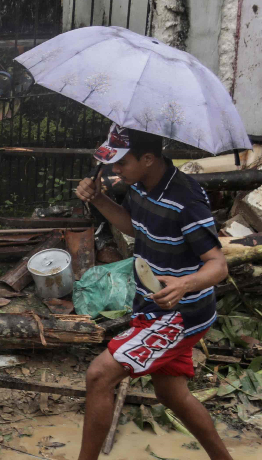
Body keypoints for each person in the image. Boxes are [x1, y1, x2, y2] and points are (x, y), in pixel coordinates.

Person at [74, 125, 232, 460]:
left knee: (99, 375)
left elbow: (218, 265)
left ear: (148, 158)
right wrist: (98, 198)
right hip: (152, 306)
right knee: (172, 394)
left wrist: (183, 284)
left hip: (179, 314)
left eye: (121, 163)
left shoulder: (186, 200)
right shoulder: (141, 185)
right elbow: (136, 227)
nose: (115, 170)